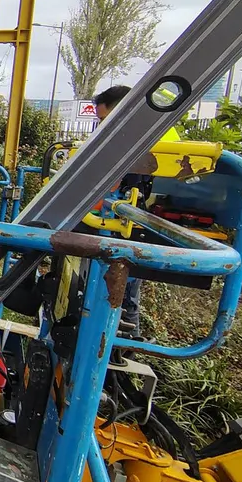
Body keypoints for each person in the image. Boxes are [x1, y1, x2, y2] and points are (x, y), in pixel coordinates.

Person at [92, 85, 181, 335]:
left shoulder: (148, 138)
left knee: (122, 290)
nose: (102, 128)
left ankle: (121, 346)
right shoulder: (149, 130)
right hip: (123, 219)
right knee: (119, 288)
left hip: (130, 223)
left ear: (125, 110)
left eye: (104, 120)